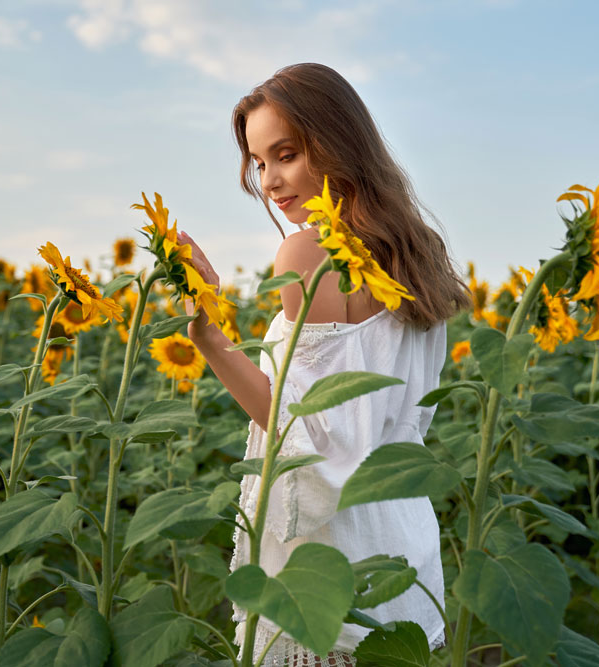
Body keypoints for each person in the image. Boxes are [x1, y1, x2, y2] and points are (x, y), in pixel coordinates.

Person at [181, 63, 470, 667]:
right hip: (403, 551)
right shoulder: (417, 249)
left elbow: (300, 430)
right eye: (258, 162)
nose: (270, 181)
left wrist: (207, 334)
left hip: (328, 565)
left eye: (285, 154)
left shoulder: (307, 252)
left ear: (336, 142)